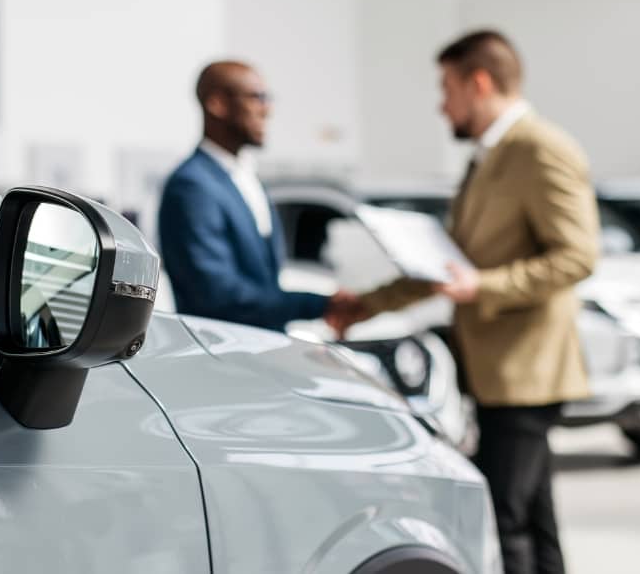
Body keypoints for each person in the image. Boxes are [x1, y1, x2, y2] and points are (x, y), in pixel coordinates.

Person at [330, 30, 598, 574]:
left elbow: (577, 256)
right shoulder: (489, 157)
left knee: (505, 519)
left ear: (479, 83)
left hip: (527, 373)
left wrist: (484, 287)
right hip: (499, 373)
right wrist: (366, 305)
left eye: (446, 87)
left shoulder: (539, 148)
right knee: (533, 519)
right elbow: (448, 264)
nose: (441, 103)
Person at [158, 60, 348, 331]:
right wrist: (319, 305)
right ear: (218, 104)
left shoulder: (245, 178)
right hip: (220, 356)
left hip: (255, 350)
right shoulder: (192, 186)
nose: (267, 109)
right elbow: (218, 297)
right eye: (257, 97)